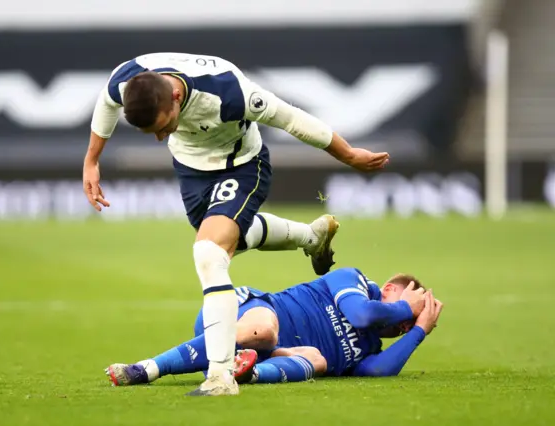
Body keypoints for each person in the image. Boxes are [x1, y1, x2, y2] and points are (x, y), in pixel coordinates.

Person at [84, 52, 390, 396]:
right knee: (230, 240)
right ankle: (310, 237)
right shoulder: (129, 79)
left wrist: (348, 154)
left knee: (209, 253)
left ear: (176, 96)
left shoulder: (229, 94)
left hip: (242, 168)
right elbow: (106, 102)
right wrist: (92, 160)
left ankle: (220, 376)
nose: (160, 137)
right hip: (192, 171)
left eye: (163, 126)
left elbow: (290, 119)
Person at [105, 267, 443, 388]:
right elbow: (362, 316)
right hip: (249, 311)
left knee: (319, 360)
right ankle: (147, 368)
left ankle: (247, 373)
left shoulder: (370, 350)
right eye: (405, 310)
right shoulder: (353, 281)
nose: (402, 323)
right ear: (387, 290)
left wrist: (419, 331)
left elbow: (378, 373)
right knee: (266, 330)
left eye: (406, 326)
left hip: (269, 352)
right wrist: (406, 307)